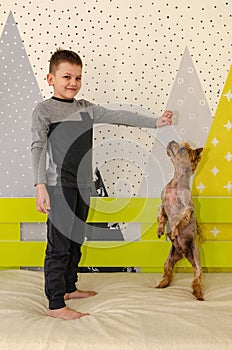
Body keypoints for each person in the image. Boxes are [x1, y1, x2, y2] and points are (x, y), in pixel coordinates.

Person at [31, 48, 172, 320]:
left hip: (83, 185)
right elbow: (37, 147)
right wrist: (39, 186)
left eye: (78, 77)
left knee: (76, 238)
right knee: (59, 244)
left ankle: (69, 288)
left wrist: (156, 122)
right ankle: (55, 304)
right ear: (51, 78)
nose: (73, 83)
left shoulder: (86, 109)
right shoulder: (44, 110)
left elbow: (121, 116)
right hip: (59, 186)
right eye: (66, 77)